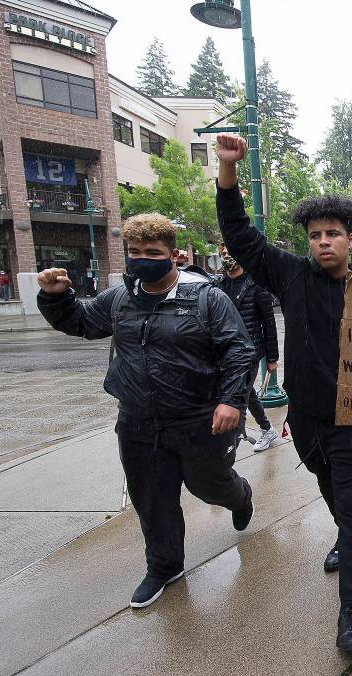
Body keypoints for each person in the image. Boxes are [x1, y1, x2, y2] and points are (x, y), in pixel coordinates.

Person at [214, 134, 352, 653]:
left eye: (333, 233)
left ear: (351, 240)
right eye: (315, 234)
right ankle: (340, 531)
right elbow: (240, 234)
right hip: (311, 422)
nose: (323, 242)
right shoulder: (291, 277)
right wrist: (228, 172)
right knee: (329, 490)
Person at [36, 213, 256, 609]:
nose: (141, 259)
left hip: (199, 420)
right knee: (152, 498)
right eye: (134, 252)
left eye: (152, 252)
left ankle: (239, 496)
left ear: (173, 256)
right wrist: (56, 297)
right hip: (138, 422)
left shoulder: (207, 298)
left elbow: (238, 350)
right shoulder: (119, 299)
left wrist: (231, 401)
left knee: (208, 485)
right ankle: (164, 566)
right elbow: (82, 322)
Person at [214, 243, 282, 452]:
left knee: (238, 400)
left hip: (250, 352)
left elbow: (268, 323)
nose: (227, 256)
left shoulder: (255, 284)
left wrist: (272, 358)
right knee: (246, 393)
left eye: (231, 251)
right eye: (223, 253)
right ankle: (267, 429)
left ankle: (229, 448)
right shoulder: (219, 285)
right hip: (227, 351)